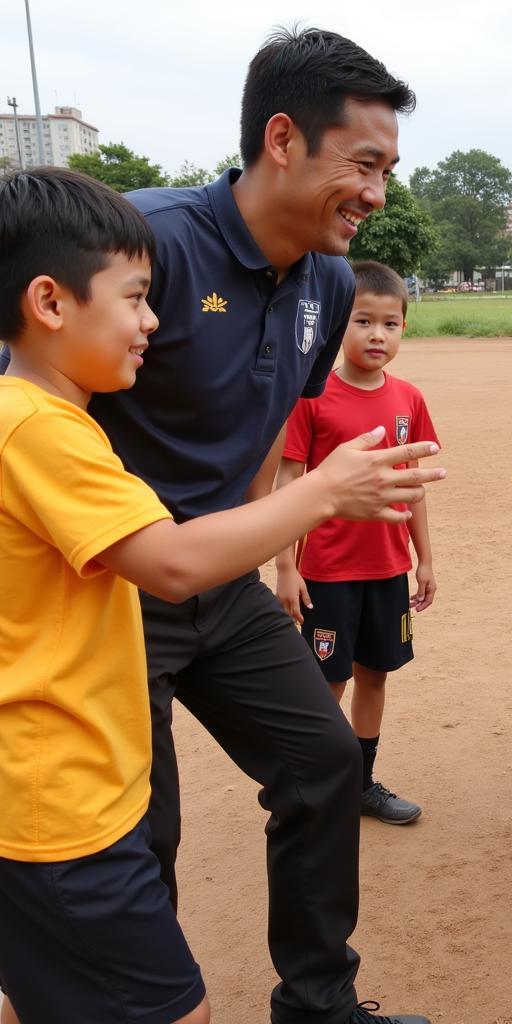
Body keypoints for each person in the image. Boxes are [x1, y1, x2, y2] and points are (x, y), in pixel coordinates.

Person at [1, 27, 433, 1024]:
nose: (378, 191)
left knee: (323, 762)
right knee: (139, 831)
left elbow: (267, 414)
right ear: (283, 139)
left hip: (218, 572)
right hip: (114, 587)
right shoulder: (142, 241)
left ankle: (317, 1004)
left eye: (387, 170)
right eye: (364, 163)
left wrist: (262, 544)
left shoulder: (329, 280)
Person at [276, 261, 438, 825]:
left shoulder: (409, 399)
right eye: (363, 321)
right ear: (337, 327)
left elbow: (413, 484)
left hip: (387, 568)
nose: (377, 335)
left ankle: (362, 783)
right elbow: (288, 482)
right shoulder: (312, 397)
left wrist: (425, 559)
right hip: (326, 570)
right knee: (329, 680)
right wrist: (285, 568)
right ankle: (317, 786)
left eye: (390, 323)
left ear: (403, 329)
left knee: (375, 672)